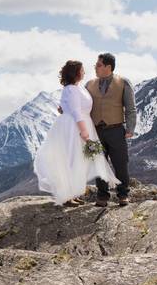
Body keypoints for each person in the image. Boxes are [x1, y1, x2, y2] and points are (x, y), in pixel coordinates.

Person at [34, 60, 119, 205]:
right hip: (76, 127)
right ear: (76, 72)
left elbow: (72, 107)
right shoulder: (72, 89)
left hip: (80, 124)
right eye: (82, 70)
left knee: (80, 160)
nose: (84, 72)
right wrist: (84, 131)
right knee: (73, 159)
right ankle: (67, 196)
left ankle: (72, 193)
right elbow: (76, 111)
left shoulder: (76, 88)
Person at [84, 52, 136, 207]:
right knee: (98, 163)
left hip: (116, 130)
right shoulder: (89, 84)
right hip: (95, 131)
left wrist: (130, 128)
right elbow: (81, 105)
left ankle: (123, 195)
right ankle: (102, 196)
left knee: (120, 163)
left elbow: (131, 108)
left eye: (98, 65)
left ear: (108, 66)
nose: (95, 67)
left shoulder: (123, 83)